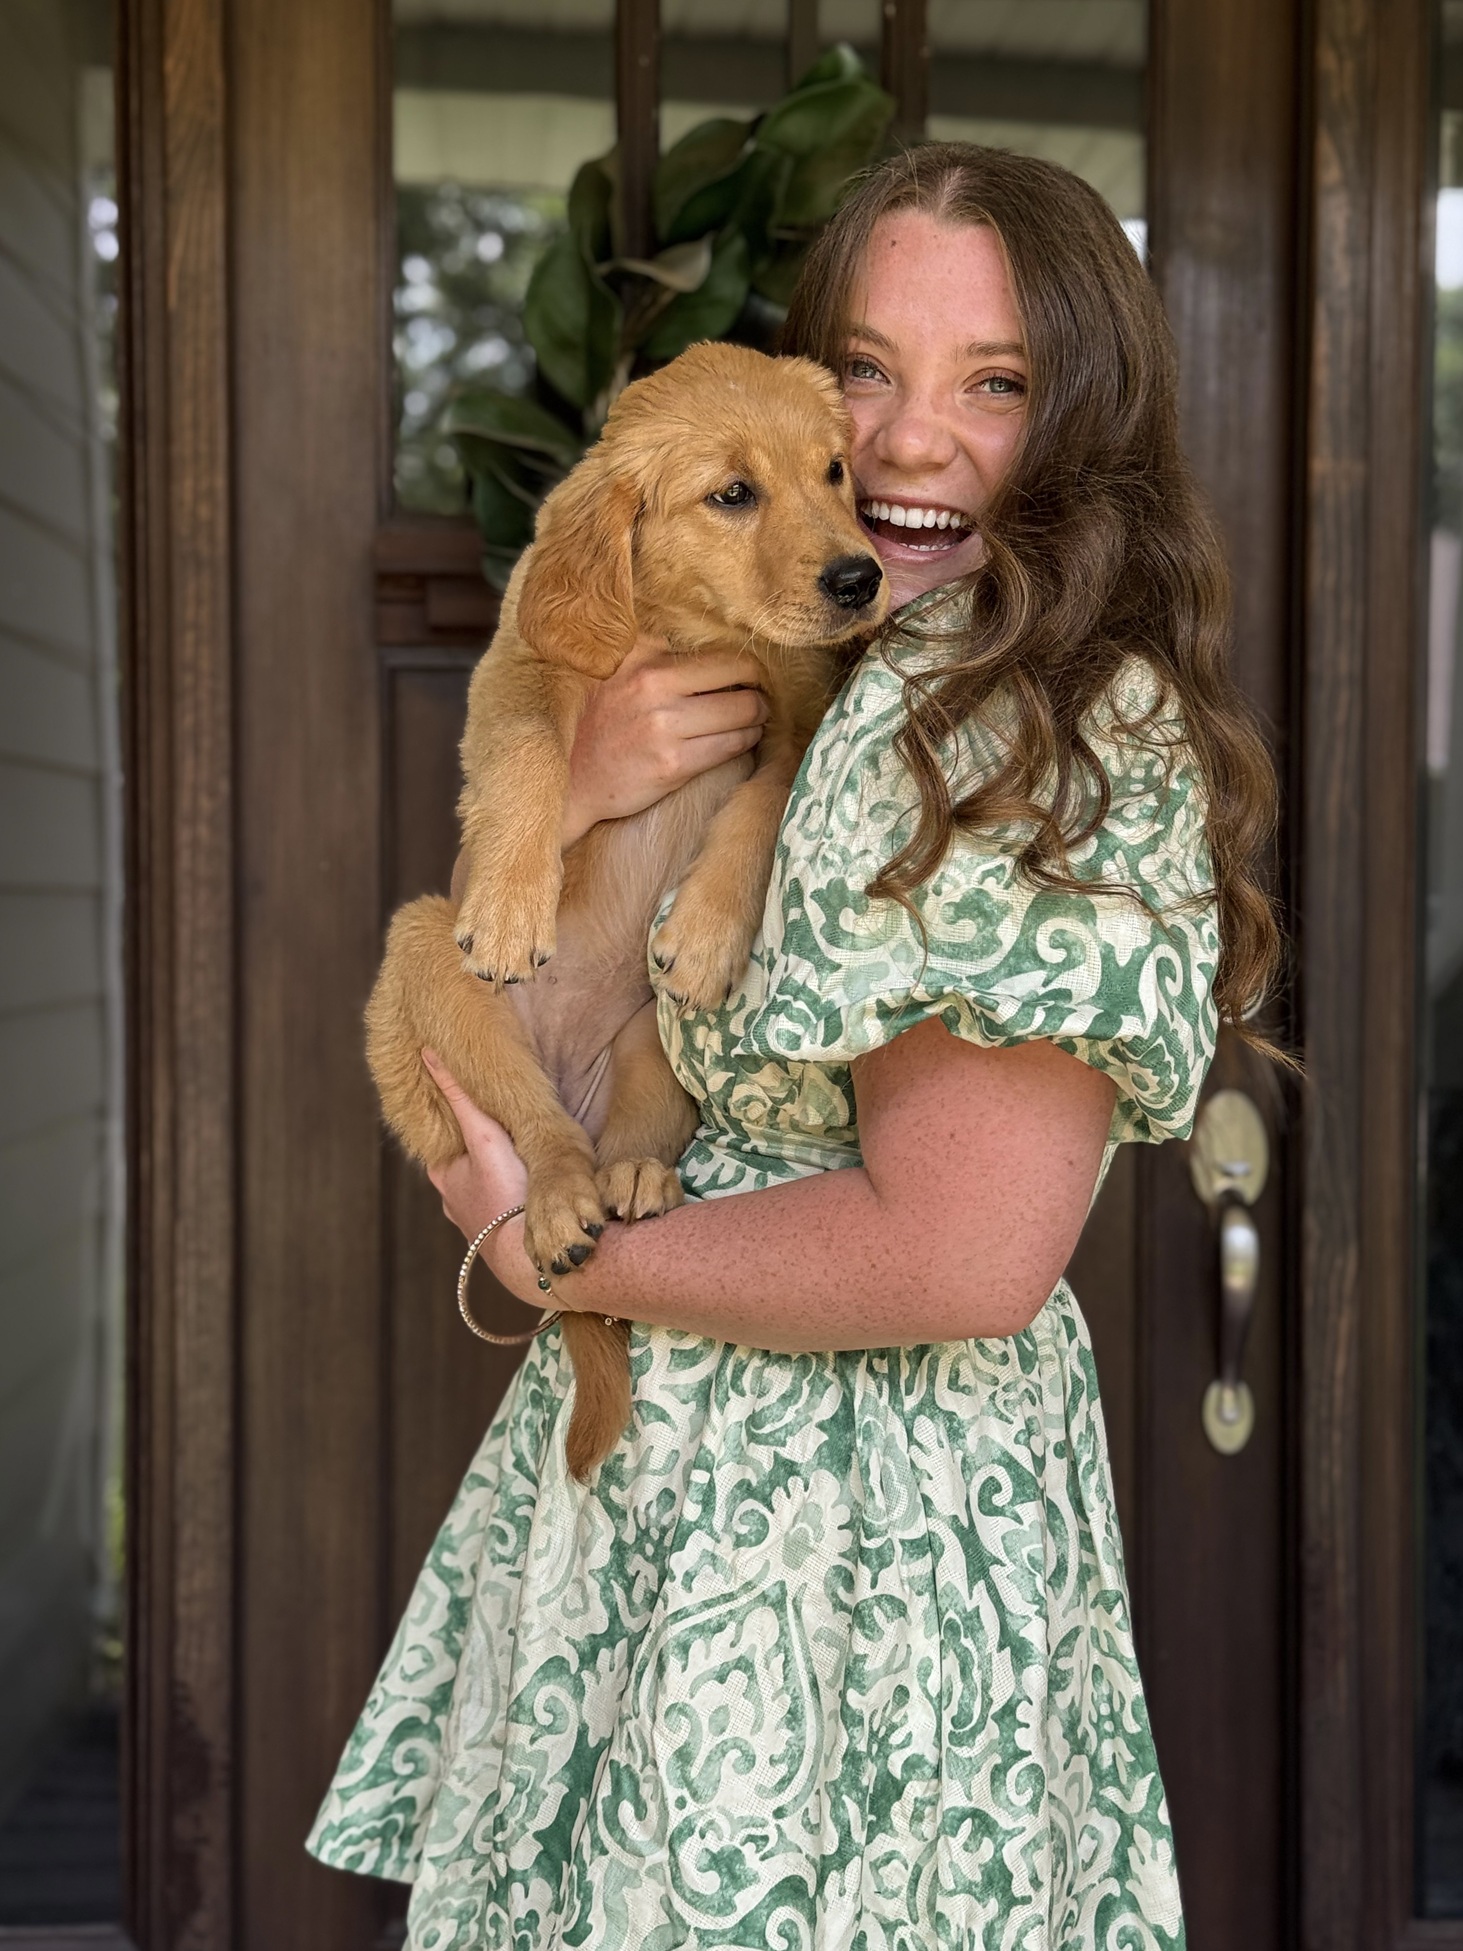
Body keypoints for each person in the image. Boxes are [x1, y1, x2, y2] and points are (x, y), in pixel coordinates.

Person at [307, 143, 1280, 1948]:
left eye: (994, 383)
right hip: (663, 1505)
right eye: (866, 372)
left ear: (1088, 416)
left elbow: (964, 1255)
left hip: (852, 1551)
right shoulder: (844, 661)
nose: (909, 445)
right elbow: (549, 988)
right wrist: (582, 781)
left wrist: (541, 1245)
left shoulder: (1042, 722)